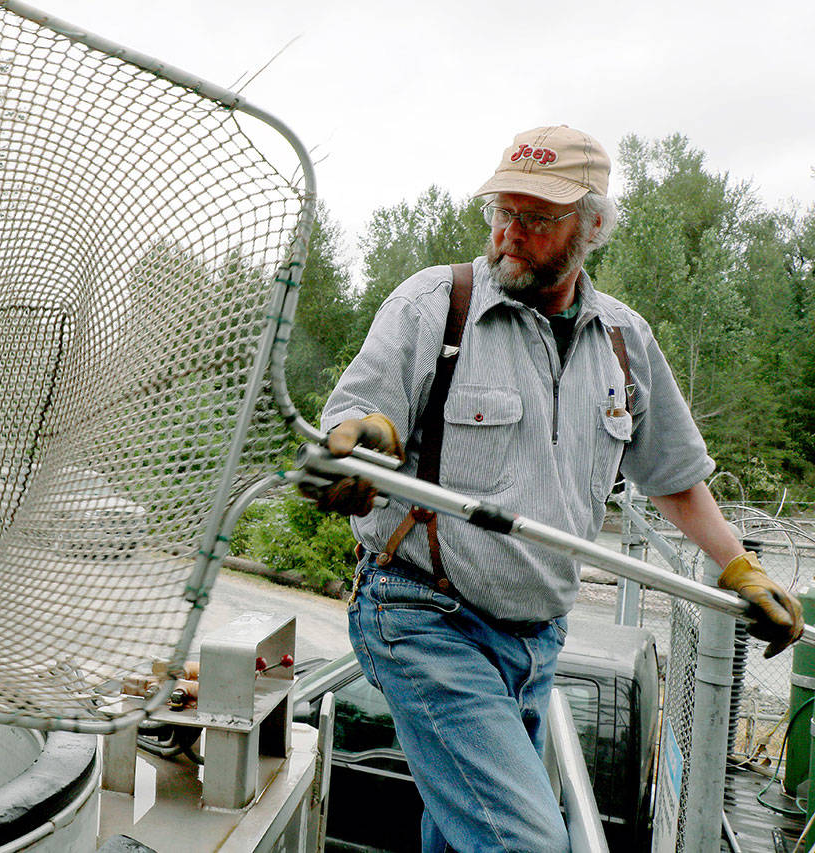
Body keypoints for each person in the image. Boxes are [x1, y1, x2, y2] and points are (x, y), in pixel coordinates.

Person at [309, 125, 804, 853]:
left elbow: (674, 477)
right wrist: (366, 447)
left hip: (536, 644)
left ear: (593, 227)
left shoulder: (623, 342)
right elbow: (357, 418)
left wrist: (740, 567)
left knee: (462, 835)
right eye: (503, 213)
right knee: (528, 843)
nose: (511, 233)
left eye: (538, 220)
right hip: (423, 615)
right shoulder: (434, 306)